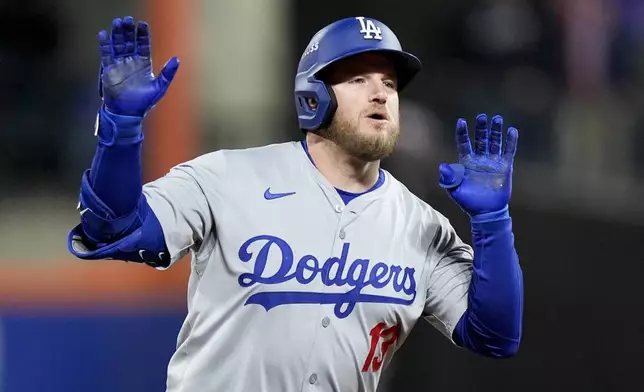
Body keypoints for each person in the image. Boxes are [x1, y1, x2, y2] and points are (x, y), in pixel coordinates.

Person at [68, 15, 523, 392]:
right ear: (313, 97)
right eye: (358, 78)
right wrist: (122, 127)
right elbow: (115, 227)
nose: (381, 92)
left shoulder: (420, 225)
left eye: (389, 82)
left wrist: (493, 222)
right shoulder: (228, 177)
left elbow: (494, 334)